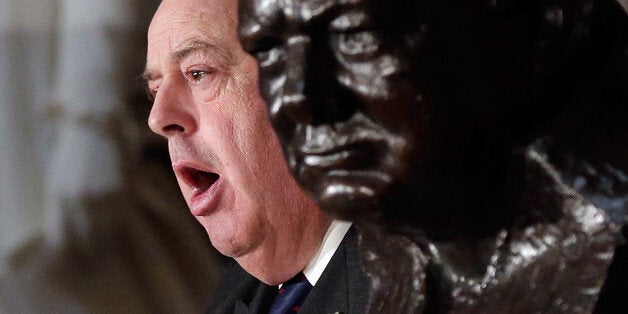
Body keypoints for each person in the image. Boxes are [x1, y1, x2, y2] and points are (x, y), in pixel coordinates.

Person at [239, 0, 627, 312]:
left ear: (538, 24)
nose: (297, 97)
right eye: (269, 52)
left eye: (355, 35)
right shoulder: (396, 270)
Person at [144, 0, 369, 312]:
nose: (158, 118)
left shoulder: (420, 281)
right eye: (155, 90)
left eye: (198, 73)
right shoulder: (232, 294)